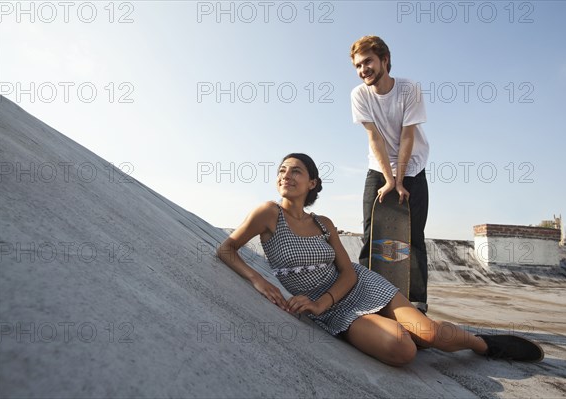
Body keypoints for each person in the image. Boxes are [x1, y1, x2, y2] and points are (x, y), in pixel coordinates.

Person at [217, 153, 543, 366]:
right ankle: (415, 330)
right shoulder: (268, 214)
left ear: (312, 183)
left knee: (430, 335)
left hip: (359, 287)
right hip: (333, 311)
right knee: (404, 350)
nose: (286, 175)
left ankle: (484, 345)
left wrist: (321, 301)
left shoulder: (323, 223)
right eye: (282, 170)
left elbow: (347, 272)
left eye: (296, 171)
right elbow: (227, 249)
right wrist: (258, 279)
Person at [350, 35, 430, 314]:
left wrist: (401, 180)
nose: (363, 70)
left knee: (414, 237)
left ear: (384, 59)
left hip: (413, 167)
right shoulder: (359, 95)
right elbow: (375, 138)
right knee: (371, 233)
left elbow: (407, 137)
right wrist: (388, 180)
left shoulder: (408, 89)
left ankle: (417, 302)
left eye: (368, 61)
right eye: (358, 66)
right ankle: (363, 296)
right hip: (379, 168)